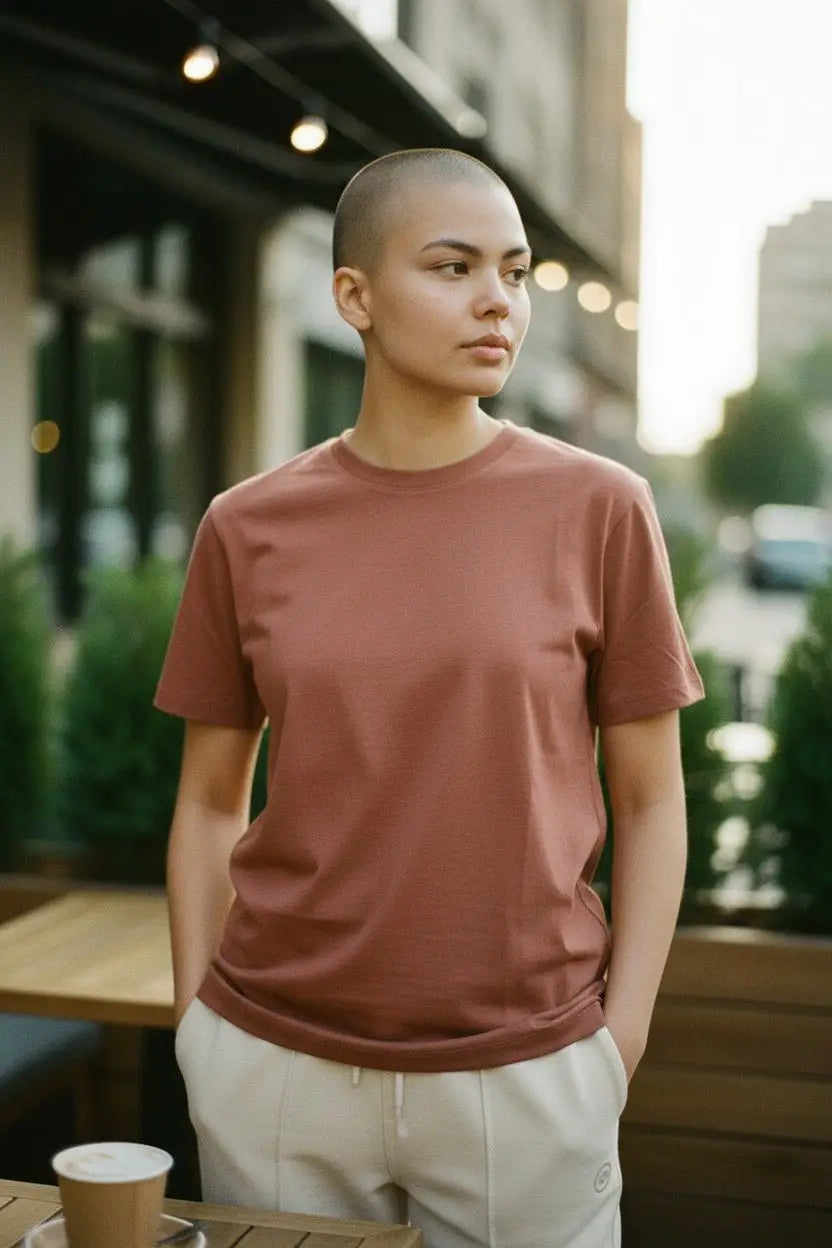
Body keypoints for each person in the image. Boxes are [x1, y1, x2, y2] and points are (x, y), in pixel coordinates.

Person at [155, 147, 705, 1248]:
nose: (497, 299)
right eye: (452, 267)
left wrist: (618, 1042)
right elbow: (212, 800)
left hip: (528, 1074)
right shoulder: (247, 526)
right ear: (352, 295)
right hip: (275, 1068)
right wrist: (197, 1031)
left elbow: (649, 798)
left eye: (515, 270)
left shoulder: (601, 509)